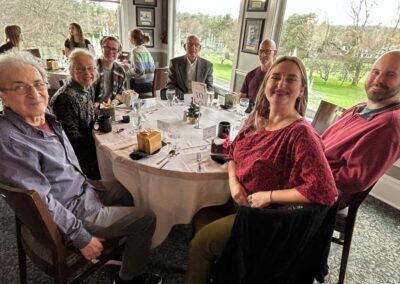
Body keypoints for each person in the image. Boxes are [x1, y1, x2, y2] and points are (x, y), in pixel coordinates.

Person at [0, 51, 162, 284]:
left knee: (127, 190)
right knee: (147, 217)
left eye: (37, 84)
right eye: (19, 87)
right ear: (3, 96)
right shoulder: (11, 142)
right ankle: (129, 277)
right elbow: (42, 203)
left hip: (81, 187)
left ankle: (122, 247)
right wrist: (81, 237)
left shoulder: (44, 117)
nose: (34, 93)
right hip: (74, 210)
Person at [184, 56, 338, 284]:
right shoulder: (258, 118)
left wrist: (269, 196)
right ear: (266, 84)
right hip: (238, 200)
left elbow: (326, 191)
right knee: (194, 208)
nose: (281, 84)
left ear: (301, 90)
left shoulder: (301, 134)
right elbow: (233, 151)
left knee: (201, 244)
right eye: (275, 77)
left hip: (264, 220)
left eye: (291, 79)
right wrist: (234, 183)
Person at [322, 50, 400, 208]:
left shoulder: (389, 125)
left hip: (325, 192)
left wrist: (308, 171)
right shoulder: (359, 108)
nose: (378, 80)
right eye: (375, 72)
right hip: (311, 170)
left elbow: (353, 180)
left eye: (390, 75)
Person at [50, 48, 100, 180]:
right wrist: (101, 143)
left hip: (92, 145)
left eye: (91, 68)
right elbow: (72, 139)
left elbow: (91, 119)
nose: (88, 73)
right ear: (71, 71)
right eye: (81, 69)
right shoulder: (65, 98)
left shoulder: (87, 88)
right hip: (78, 158)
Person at [166, 35, 213, 100]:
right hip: (180, 99)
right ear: (185, 47)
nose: (193, 48)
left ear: (200, 48)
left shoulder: (208, 65)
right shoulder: (174, 63)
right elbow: (170, 86)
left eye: (196, 45)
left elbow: (209, 88)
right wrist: (186, 97)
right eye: (190, 44)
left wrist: (198, 97)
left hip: (198, 101)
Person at [240, 39, 277, 104]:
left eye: (267, 51)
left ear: (275, 53)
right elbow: (242, 98)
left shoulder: (277, 77)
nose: (263, 54)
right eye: (261, 51)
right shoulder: (250, 75)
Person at [94, 36, 126, 104]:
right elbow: (85, 94)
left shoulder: (120, 71)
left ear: (118, 53)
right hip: (93, 108)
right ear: (102, 49)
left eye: (114, 49)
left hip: (111, 108)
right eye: (107, 47)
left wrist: (114, 102)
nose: (110, 51)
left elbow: (121, 93)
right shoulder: (92, 68)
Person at [124, 28, 155, 96]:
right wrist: (129, 63)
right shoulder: (145, 50)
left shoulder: (135, 50)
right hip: (151, 84)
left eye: (130, 38)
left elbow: (139, 70)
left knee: (127, 84)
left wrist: (127, 72)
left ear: (133, 39)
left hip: (142, 86)